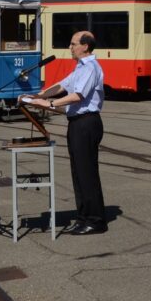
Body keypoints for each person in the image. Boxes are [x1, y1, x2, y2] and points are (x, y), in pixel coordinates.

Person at [19, 30, 107, 235]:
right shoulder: (80, 67)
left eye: (73, 44)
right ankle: (84, 216)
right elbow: (62, 85)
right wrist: (37, 96)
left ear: (85, 46)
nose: (70, 48)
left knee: (86, 173)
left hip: (86, 123)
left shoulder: (91, 68)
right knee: (78, 172)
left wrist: (48, 103)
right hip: (77, 123)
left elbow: (77, 95)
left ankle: (95, 220)